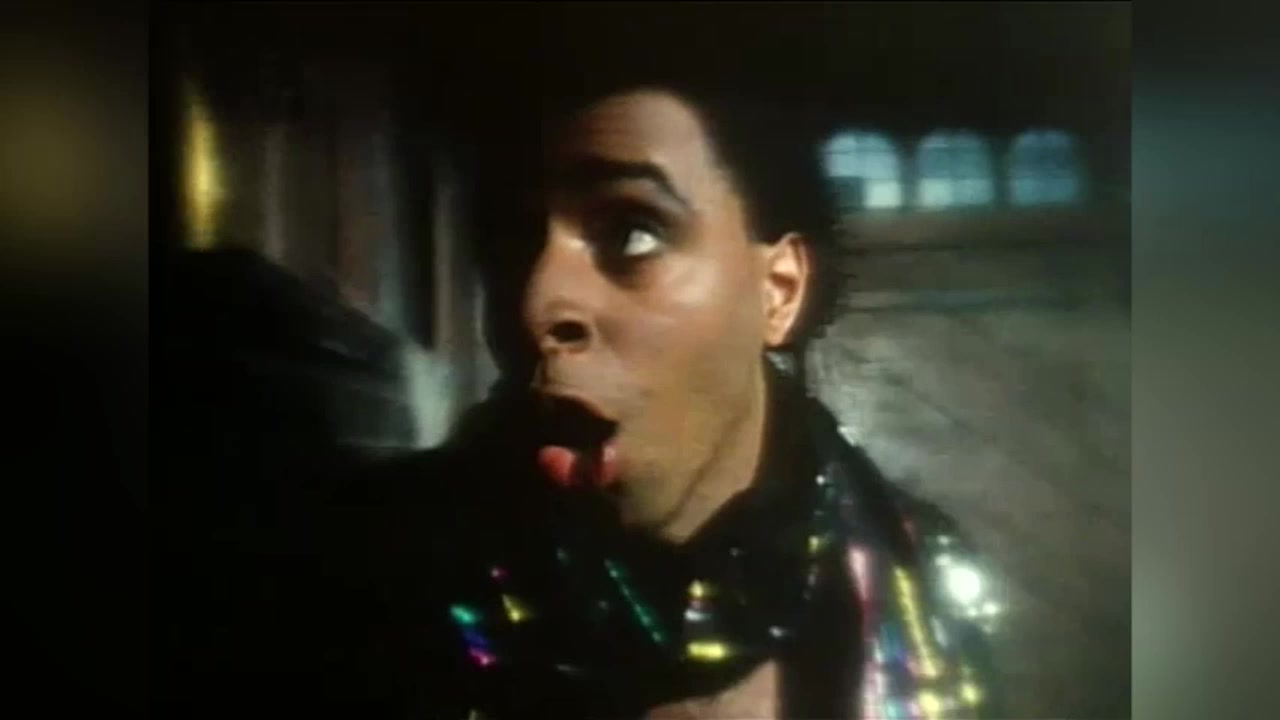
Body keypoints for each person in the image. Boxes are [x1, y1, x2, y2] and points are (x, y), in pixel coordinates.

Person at [189, 71, 1004, 720]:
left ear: (778, 290)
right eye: (511, 240)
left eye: (633, 232)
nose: (539, 302)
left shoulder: (918, 578)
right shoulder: (364, 586)